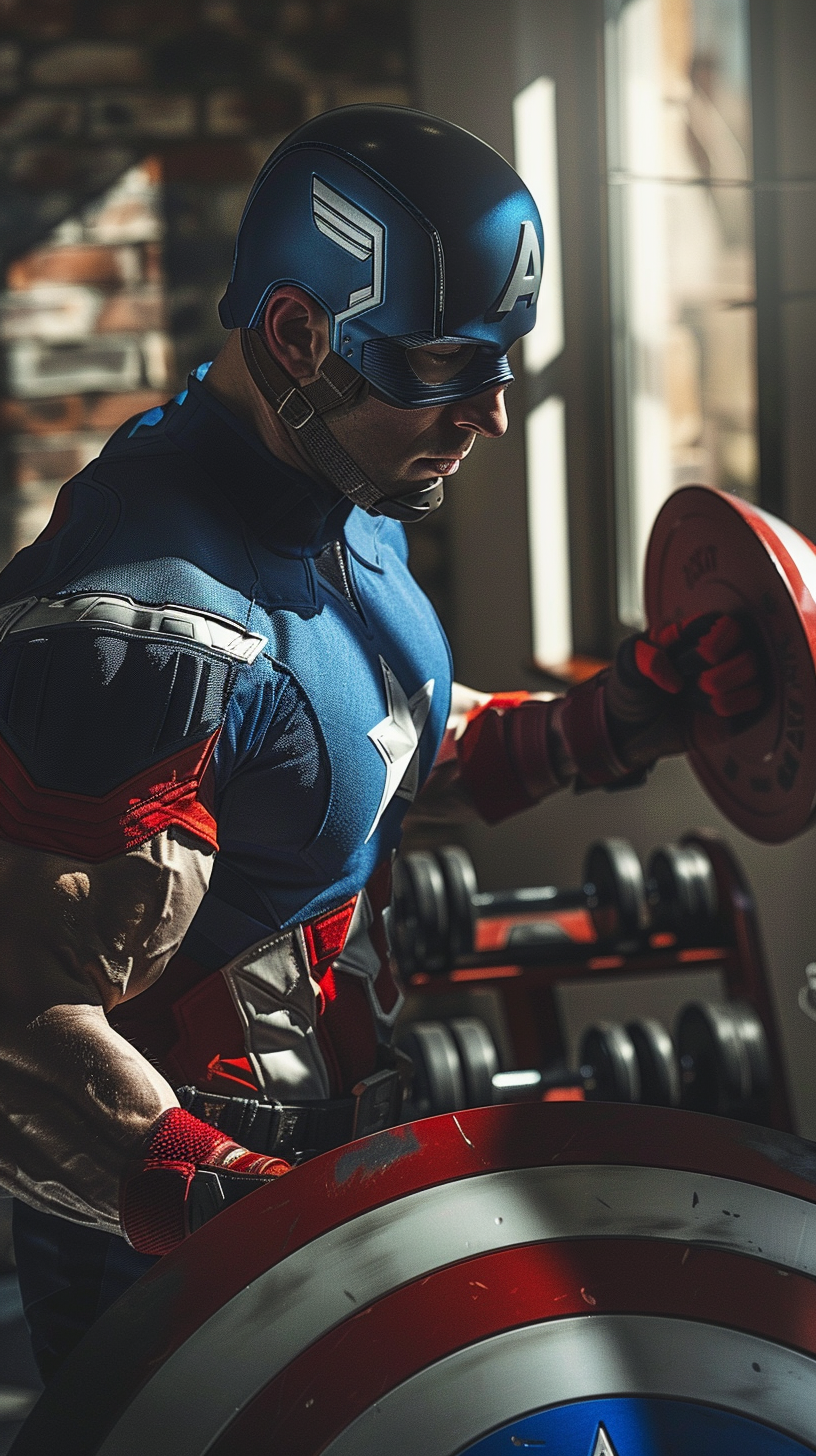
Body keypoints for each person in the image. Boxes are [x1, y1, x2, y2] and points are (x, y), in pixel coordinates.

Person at [0, 105, 760, 1380]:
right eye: (449, 363)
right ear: (301, 333)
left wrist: (601, 722)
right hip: (188, 1260)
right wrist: (243, 1215)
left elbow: (342, 752)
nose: (497, 416)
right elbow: (18, 1018)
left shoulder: (342, 493)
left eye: (507, 361)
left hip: (332, 1174)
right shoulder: (153, 630)